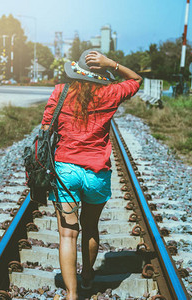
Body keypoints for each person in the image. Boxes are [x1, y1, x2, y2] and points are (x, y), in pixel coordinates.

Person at [41, 49, 142, 300]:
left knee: (67, 234)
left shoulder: (60, 92)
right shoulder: (110, 93)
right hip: (96, 173)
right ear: (101, 74)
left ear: (77, 72)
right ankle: (87, 276)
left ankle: (72, 295)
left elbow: (45, 128)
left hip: (66, 170)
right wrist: (112, 63)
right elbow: (137, 80)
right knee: (90, 227)